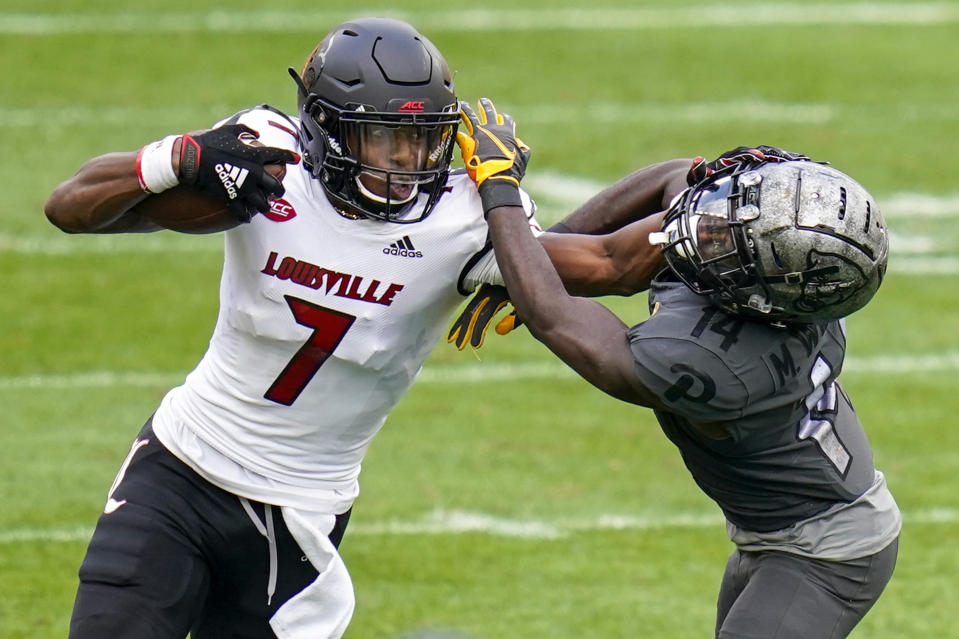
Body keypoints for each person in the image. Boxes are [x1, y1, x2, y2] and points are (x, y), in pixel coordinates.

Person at [44, 17, 690, 639]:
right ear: (323, 128)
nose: (406, 160)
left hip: (298, 507)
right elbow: (74, 208)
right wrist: (177, 157)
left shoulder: (465, 214)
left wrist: (698, 190)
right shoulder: (271, 158)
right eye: (382, 138)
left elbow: (610, 262)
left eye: (423, 139)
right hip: (178, 466)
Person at [454, 98, 900, 639]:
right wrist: (528, 265)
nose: (718, 226)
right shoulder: (792, 292)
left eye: (738, 239)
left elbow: (557, 316)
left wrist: (501, 195)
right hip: (778, 526)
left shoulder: (714, 363)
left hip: (825, 551)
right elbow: (672, 183)